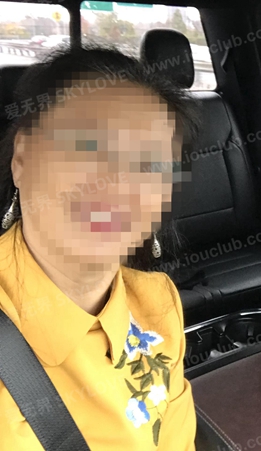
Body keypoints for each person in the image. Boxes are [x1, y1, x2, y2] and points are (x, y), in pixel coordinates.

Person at [0, 44, 198, 450]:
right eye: (88, 145)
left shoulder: (158, 303)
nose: (117, 183)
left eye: (150, 165)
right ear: (22, 158)